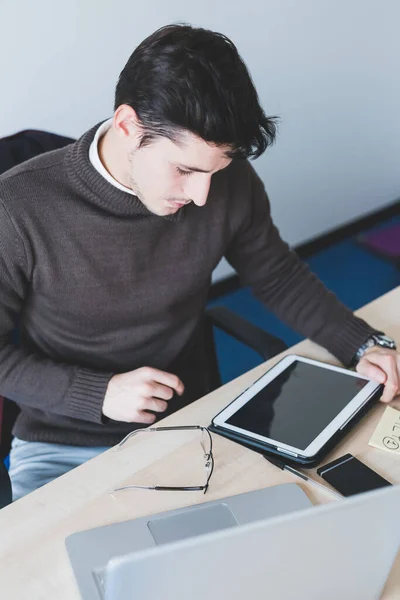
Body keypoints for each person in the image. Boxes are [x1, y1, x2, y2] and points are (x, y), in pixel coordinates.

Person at [1, 24, 398, 501]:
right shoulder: (18, 208)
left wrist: (363, 345)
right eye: (185, 170)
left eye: (217, 170)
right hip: (62, 441)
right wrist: (99, 393)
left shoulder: (225, 181)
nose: (202, 194)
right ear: (128, 125)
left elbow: (277, 275)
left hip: (194, 423)